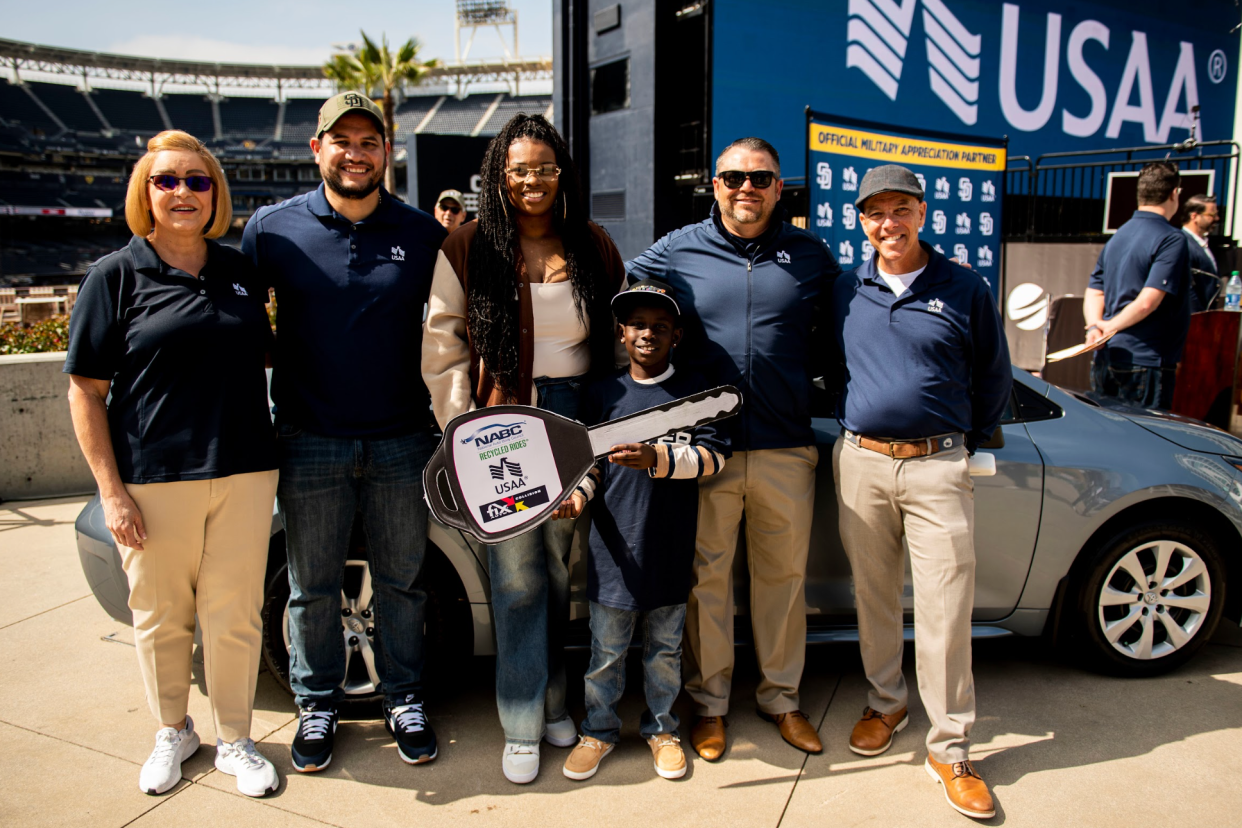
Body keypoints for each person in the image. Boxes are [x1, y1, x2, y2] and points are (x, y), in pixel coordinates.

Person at [65, 130, 280, 798]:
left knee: (236, 613)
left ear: (215, 193)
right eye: (167, 180)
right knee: (161, 617)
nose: (182, 192)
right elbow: (85, 391)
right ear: (145, 193)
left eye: (197, 180)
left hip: (245, 469)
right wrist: (112, 491)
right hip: (154, 476)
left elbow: (266, 360)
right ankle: (174, 730)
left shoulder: (240, 271)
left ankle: (237, 740)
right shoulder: (115, 276)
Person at [242, 92, 447, 772]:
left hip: (402, 439)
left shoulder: (422, 234)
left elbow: (453, 329)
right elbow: (240, 330)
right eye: (342, 140)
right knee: (312, 586)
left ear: (386, 152)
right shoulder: (270, 229)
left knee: (403, 582)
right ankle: (318, 704)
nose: (355, 153)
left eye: (369, 141)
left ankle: (405, 696)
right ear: (317, 149)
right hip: (310, 438)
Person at [422, 113, 626, 784]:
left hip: (573, 421)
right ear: (498, 178)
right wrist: (462, 431)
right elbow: (443, 342)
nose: (531, 181)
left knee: (561, 574)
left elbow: (618, 338)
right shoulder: (467, 245)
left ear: (560, 173)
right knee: (514, 580)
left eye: (543, 168)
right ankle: (519, 721)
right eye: (518, 171)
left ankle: (551, 701)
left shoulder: (593, 244)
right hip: (501, 422)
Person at [626, 137, 839, 760]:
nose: (746, 188)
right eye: (732, 177)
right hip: (708, 448)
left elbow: (840, 335)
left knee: (783, 581)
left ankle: (782, 699)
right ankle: (710, 706)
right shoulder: (678, 248)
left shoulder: (810, 255)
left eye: (760, 178)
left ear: (779, 189)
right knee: (708, 583)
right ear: (714, 185)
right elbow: (627, 299)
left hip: (786, 446)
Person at [829, 165, 1011, 820]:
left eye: (899, 209)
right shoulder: (847, 287)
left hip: (939, 467)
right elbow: (828, 363)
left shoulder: (964, 287)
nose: (888, 223)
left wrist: (973, 443)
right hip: (861, 463)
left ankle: (951, 746)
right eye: (875, 212)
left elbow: (993, 373)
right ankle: (887, 705)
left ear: (923, 212)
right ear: (861, 221)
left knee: (945, 606)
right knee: (874, 596)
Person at [554, 280, 730, 782]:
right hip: (612, 551)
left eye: (659, 326)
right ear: (620, 333)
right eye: (636, 326)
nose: (646, 334)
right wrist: (576, 499)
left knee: (664, 652)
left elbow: (714, 457)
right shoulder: (602, 393)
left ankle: (661, 729)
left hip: (671, 547)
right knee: (605, 653)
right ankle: (599, 731)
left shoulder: (695, 395)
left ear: (677, 335)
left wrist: (657, 457)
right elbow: (588, 465)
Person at [1084, 161, 1190, 410]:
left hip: (1106, 355)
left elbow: (1094, 290)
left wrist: (1095, 327)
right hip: (1145, 360)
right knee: (1147, 441)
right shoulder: (1172, 238)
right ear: (1174, 193)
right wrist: (1107, 326)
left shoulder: (1119, 234)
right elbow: (1146, 302)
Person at [1181, 193, 1220, 313]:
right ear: (1194, 216)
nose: (1217, 218)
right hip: (1195, 319)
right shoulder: (1183, 243)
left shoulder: (1202, 243)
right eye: (1212, 214)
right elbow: (1185, 287)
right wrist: (1198, 317)